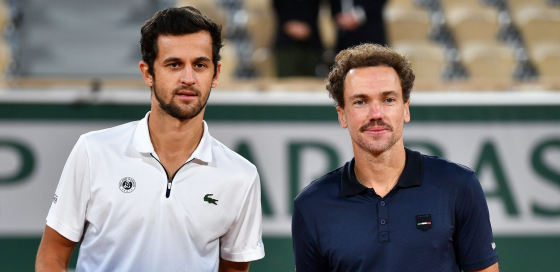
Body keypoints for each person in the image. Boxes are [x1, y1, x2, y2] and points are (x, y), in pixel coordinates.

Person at [36, 7, 265, 272]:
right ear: (148, 73)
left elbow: (234, 269)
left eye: (200, 65)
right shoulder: (93, 151)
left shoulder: (241, 175)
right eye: (174, 64)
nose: (188, 78)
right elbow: (52, 255)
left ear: (215, 74)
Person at [291, 44, 499, 271]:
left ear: (405, 109)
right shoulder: (312, 205)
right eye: (360, 101)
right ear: (342, 115)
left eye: (388, 100)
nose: (376, 114)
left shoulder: (459, 185)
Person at [273, 0, 323, 77]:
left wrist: (306, 26)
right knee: (286, 80)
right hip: (285, 43)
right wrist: (290, 25)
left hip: (311, 42)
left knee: (311, 81)